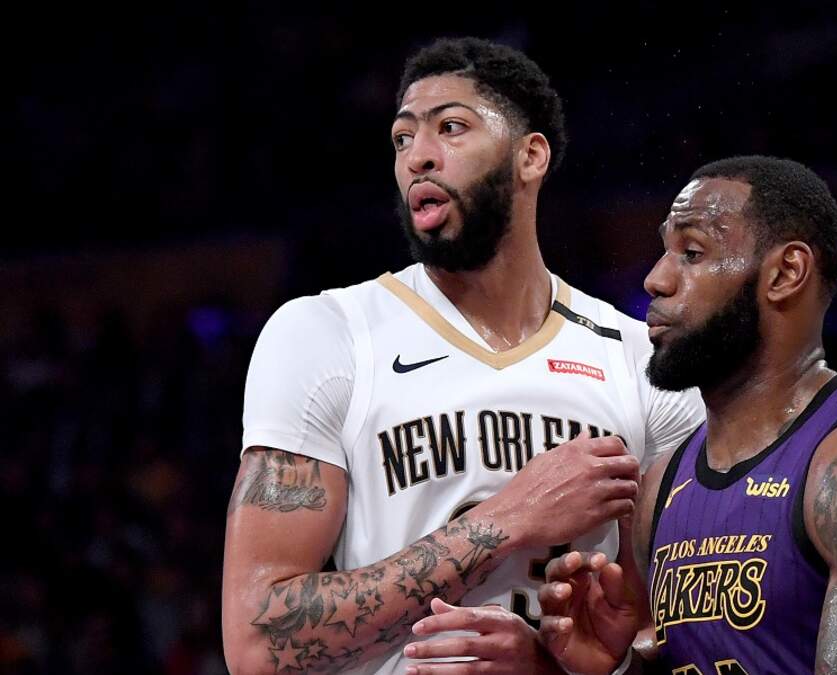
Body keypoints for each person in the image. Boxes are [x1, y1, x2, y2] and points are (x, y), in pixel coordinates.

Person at [220, 37, 703, 675]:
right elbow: (256, 642)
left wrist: (552, 669)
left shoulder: (642, 360)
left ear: (531, 156)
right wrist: (507, 519)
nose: (417, 156)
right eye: (402, 138)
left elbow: (685, 633)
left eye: (450, 127)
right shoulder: (327, 334)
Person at [537, 156, 837, 674]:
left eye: (692, 253)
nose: (655, 280)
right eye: (664, 251)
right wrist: (612, 667)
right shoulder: (662, 486)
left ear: (785, 273)